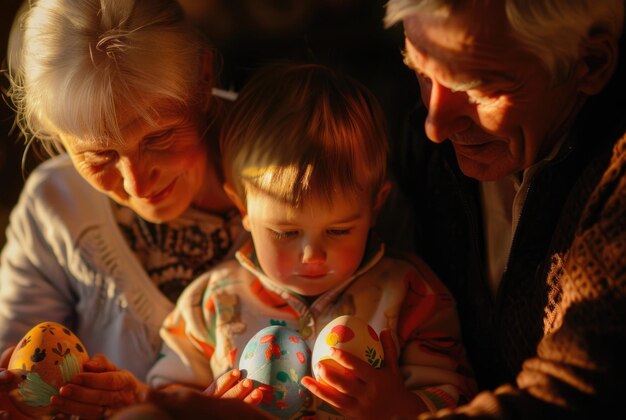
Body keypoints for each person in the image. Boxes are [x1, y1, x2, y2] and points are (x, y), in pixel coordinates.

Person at [51, 63, 476, 419]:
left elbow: (457, 394)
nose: (313, 255)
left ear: (375, 206)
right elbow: (167, 394)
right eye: (287, 233)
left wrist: (400, 408)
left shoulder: (411, 296)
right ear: (244, 211)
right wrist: (209, 407)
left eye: (339, 230)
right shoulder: (212, 305)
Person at [382, 0, 626, 418]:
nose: (434, 126)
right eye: (421, 73)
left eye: (477, 87)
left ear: (589, 64)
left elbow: (578, 394)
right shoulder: (425, 149)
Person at [0, 0, 246, 389]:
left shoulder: (292, 173)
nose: (137, 185)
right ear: (57, 137)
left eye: (160, 136)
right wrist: (20, 400)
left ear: (203, 78)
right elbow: (16, 359)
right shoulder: (57, 204)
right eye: (99, 155)